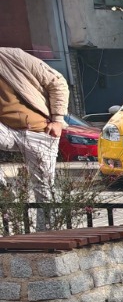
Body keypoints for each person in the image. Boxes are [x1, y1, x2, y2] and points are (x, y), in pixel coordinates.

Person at [0, 47, 70, 224]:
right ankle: (4, 189)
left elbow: (57, 82)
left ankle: (48, 236)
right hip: (6, 130)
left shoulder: (13, 56)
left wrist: (58, 120)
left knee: (44, 189)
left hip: (39, 130)